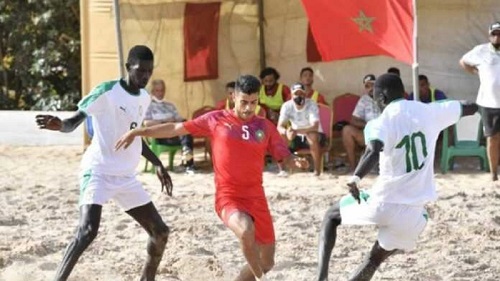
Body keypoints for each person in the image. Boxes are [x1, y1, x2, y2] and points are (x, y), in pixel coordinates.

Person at [115, 74, 309, 281]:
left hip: (256, 197)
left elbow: (284, 156)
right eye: (244, 102)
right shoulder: (216, 119)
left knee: (267, 261)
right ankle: (261, 279)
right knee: (245, 231)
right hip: (228, 196)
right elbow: (175, 128)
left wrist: (295, 162)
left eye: (253, 103)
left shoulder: (264, 126)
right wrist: (138, 132)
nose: (248, 108)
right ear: (234, 96)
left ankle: (255, 275)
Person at [315, 73, 478, 281]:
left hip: (383, 202)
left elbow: (373, 150)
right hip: (413, 215)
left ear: (382, 98)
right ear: (403, 92)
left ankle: (321, 278)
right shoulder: (430, 111)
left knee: (331, 216)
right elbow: (468, 106)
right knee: (373, 260)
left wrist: (356, 178)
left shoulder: (379, 122)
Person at [35, 45, 173, 281]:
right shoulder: (107, 92)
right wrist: (61, 125)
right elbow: (73, 122)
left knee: (160, 232)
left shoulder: (144, 98)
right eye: (140, 71)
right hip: (98, 171)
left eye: (149, 71)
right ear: (128, 67)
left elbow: (135, 135)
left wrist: (158, 163)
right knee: (87, 231)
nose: (145, 76)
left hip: (126, 177)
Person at [460, 21, 500, 181]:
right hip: (488, 102)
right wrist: (475, 71)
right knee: (492, 138)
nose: (497, 37)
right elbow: (463, 61)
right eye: (494, 34)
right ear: (489, 35)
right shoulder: (481, 50)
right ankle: (493, 173)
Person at [144, 79, 196, 174]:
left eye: (162, 90)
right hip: (160, 136)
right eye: (157, 90)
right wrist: (164, 121)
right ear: (152, 91)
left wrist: (175, 121)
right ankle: (189, 161)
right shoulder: (148, 106)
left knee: (186, 124)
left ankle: (187, 157)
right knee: (185, 132)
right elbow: (147, 123)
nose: (160, 93)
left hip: (174, 133)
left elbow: (180, 119)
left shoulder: (170, 105)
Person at [277, 82, 326, 176]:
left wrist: (296, 131)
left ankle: (317, 171)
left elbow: (315, 126)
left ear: (305, 94)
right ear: (291, 95)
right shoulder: (287, 106)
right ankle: (282, 170)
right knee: (281, 135)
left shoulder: (311, 104)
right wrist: (287, 132)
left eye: (301, 93)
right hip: (296, 136)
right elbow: (280, 126)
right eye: (296, 93)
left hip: (315, 136)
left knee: (311, 135)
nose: (299, 96)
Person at [342, 74, 381, 171]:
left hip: (385, 133)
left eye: (372, 85)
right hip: (369, 134)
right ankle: (354, 168)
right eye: (367, 86)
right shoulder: (364, 100)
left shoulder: (384, 97)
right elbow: (353, 120)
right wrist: (368, 124)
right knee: (347, 130)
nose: (370, 88)